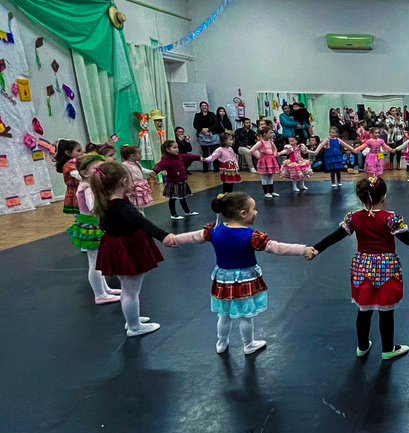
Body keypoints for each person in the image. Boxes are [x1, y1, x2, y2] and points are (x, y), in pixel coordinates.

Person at [305, 176, 409, 359]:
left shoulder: (353, 218)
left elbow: (335, 236)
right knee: (386, 310)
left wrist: (317, 248)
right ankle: (388, 349)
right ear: (384, 196)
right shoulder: (391, 219)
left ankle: (362, 346)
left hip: (362, 269)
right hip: (386, 270)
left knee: (364, 310)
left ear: (360, 198)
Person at [169, 193, 307, 355]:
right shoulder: (250, 236)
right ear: (243, 213)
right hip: (244, 279)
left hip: (223, 279)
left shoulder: (215, 231)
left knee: (224, 314)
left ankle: (221, 342)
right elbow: (277, 248)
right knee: (245, 316)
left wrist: (174, 239)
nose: (256, 212)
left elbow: (193, 237)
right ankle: (248, 345)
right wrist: (302, 249)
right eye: (253, 209)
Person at [90, 161, 176, 336]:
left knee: (127, 288)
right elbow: (143, 223)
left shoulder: (107, 202)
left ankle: (132, 319)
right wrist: (164, 236)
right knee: (131, 291)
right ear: (123, 182)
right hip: (128, 247)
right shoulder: (123, 207)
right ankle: (134, 327)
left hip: (117, 245)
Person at [67, 153, 122, 304]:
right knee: (95, 261)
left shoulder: (88, 185)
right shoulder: (88, 188)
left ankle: (104, 289)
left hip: (91, 223)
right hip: (92, 225)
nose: (100, 171)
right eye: (96, 169)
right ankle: (100, 294)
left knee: (98, 259)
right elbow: (93, 207)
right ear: (85, 173)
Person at [152, 140, 200, 220]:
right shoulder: (166, 160)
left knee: (183, 197)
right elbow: (159, 166)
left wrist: (199, 158)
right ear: (168, 150)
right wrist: (154, 171)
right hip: (173, 182)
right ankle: (173, 214)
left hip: (181, 181)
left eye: (177, 147)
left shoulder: (179, 156)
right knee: (173, 198)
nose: (177, 149)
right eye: (174, 147)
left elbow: (189, 156)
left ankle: (187, 211)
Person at [55, 140, 84, 216]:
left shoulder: (78, 162)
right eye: (79, 150)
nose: (82, 152)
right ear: (68, 153)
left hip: (81, 189)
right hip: (76, 192)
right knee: (80, 213)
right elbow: (78, 176)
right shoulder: (69, 165)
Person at [250, 128, 281, 198]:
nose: (272, 134)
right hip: (264, 161)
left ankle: (271, 191)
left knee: (270, 176)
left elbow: (274, 149)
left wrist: (274, 154)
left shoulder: (270, 141)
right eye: (270, 133)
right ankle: (266, 192)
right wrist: (258, 155)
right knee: (265, 176)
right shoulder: (260, 142)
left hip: (271, 160)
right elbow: (252, 150)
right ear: (264, 134)